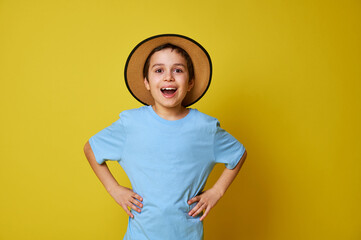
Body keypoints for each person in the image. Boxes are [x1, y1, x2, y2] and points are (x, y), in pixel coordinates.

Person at [83, 34, 247, 240]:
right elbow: (91, 148)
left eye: (178, 70)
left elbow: (238, 154)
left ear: (190, 83)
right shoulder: (131, 124)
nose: (168, 77)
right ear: (147, 82)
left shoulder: (205, 127)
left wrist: (217, 191)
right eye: (159, 70)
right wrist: (114, 189)